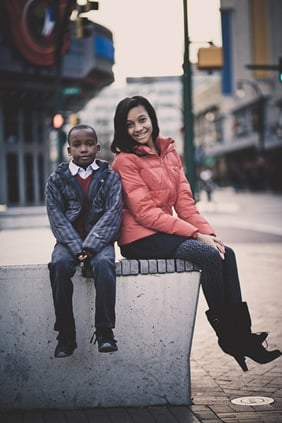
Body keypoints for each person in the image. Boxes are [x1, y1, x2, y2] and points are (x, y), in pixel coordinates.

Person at [110, 95, 281, 372]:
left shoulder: (169, 154)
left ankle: (243, 337)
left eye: (142, 120)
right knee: (205, 255)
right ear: (122, 129)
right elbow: (144, 213)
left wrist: (211, 236)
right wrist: (196, 237)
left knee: (225, 253)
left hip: (162, 231)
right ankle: (229, 338)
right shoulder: (125, 161)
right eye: (129, 124)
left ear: (152, 118)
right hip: (138, 238)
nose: (138, 128)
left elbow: (185, 204)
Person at [46, 124, 122, 358]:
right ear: (69, 150)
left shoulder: (110, 178)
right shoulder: (57, 179)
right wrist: (78, 248)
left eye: (89, 144)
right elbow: (56, 217)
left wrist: (90, 247)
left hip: (99, 242)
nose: (84, 149)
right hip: (68, 242)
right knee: (58, 265)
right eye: (77, 145)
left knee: (104, 265)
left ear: (98, 148)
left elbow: (113, 214)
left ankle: (105, 332)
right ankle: (66, 336)